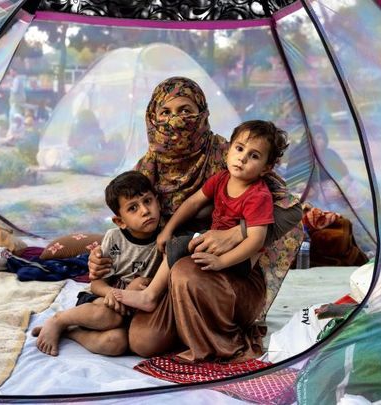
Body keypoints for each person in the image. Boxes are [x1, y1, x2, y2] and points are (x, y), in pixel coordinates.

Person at [88, 76, 302, 362]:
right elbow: (131, 225)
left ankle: (209, 335)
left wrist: (236, 233)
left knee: (185, 271)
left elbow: (293, 210)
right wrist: (102, 259)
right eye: (166, 113)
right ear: (153, 117)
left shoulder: (228, 157)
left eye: (186, 110)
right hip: (169, 275)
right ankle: (182, 323)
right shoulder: (148, 167)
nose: (176, 121)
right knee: (142, 341)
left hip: (226, 276)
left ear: (202, 112)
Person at [113, 120, 288, 313]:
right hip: (215, 240)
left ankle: (150, 296)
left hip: (240, 259)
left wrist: (223, 261)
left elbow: (256, 240)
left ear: (265, 168)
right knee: (178, 236)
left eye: (254, 156)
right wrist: (168, 230)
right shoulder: (222, 179)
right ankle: (162, 294)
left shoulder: (257, 196)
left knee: (179, 244)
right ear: (229, 150)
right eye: (239, 149)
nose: (243, 158)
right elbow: (193, 203)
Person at [32, 171, 162, 356]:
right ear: (120, 221)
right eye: (133, 208)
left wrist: (130, 293)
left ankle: (71, 332)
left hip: (134, 309)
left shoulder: (165, 238)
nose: (145, 211)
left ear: (157, 201)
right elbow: (96, 283)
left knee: (115, 343)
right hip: (102, 302)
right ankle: (59, 320)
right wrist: (115, 294)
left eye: (148, 201)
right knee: (108, 316)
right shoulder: (114, 238)